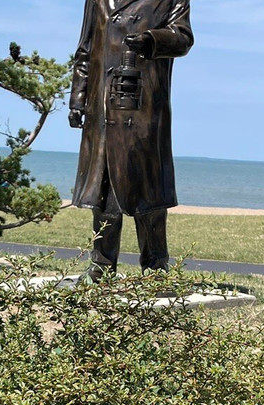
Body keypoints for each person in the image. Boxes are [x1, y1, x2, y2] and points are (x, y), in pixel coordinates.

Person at [69, 0, 193, 280]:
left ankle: (155, 270)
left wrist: (151, 40)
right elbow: (85, 49)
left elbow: (183, 38)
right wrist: (78, 99)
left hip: (145, 109)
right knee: (104, 195)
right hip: (103, 109)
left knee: (149, 195)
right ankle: (101, 268)